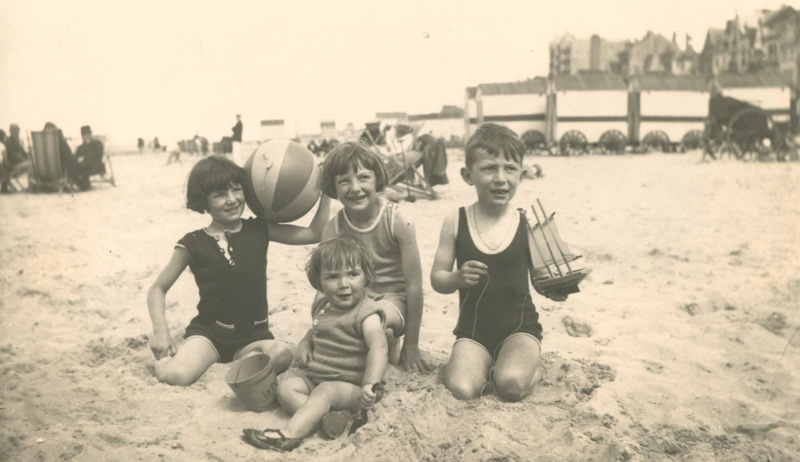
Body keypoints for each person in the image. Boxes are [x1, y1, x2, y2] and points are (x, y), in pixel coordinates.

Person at [146, 155, 331, 386]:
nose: (232, 200)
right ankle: (163, 365)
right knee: (178, 376)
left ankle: (237, 366)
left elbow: (314, 233)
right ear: (203, 200)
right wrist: (161, 332)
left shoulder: (259, 229)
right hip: (209, 336)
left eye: (236, 189)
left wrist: (326, 192)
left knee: (282, 354)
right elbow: (157, 289)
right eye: (220, 194)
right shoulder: (192, 243)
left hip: (252, 338)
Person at [430, 123, 565, 402]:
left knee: (511, 385)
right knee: (460, 389)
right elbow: (437, 278)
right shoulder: (456, 221)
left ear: (522, 175)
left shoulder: (526, 223)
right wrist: (456, 278)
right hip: (474, 332)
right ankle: (491, 363)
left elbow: (541, 280)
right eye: (489, 168)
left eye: (510, 169)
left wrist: (555, 290)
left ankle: (524, 366)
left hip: (519, 330)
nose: (500, 179)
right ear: (468, 175)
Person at [242, 236, 388, 452]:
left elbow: (379, 347)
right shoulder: (325, 306)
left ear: (366, 276)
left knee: (325, 392)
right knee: (285, 389)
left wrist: (369, 384)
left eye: (353, 274)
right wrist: (305, 342)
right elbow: (319, 329)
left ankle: (288, 435)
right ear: (319, 283)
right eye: (332, 277)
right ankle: (328, 420)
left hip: (354, 387)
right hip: (319, 377)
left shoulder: (366, 314)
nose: (344, 284)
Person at [319, 142, 431, 373]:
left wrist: (412, 345)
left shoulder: (398, 220)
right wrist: (316, 329)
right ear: (333, 186)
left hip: (394, 300)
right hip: (353, 298)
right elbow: (324, 287)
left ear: (377, 178)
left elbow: (414, 287)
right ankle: (385, 343)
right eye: (344, 181)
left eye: (363, 178)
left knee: (370, 321)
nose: (355, 188)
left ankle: (389, 343)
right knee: (350, 328)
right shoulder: (333, 228)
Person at [2, 124, 31, 193]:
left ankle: (32, 184)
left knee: (31, 163)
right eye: (15, 130)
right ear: (10, 131)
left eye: (18, 130)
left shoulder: (16, 140)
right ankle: (31, 185)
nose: (17, 132)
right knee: (30, 165)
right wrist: (24, 160)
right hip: (12, 165)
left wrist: (29, 157)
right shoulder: (9, 141)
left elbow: (23, 152)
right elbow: (13, 155)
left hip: (16, 163)